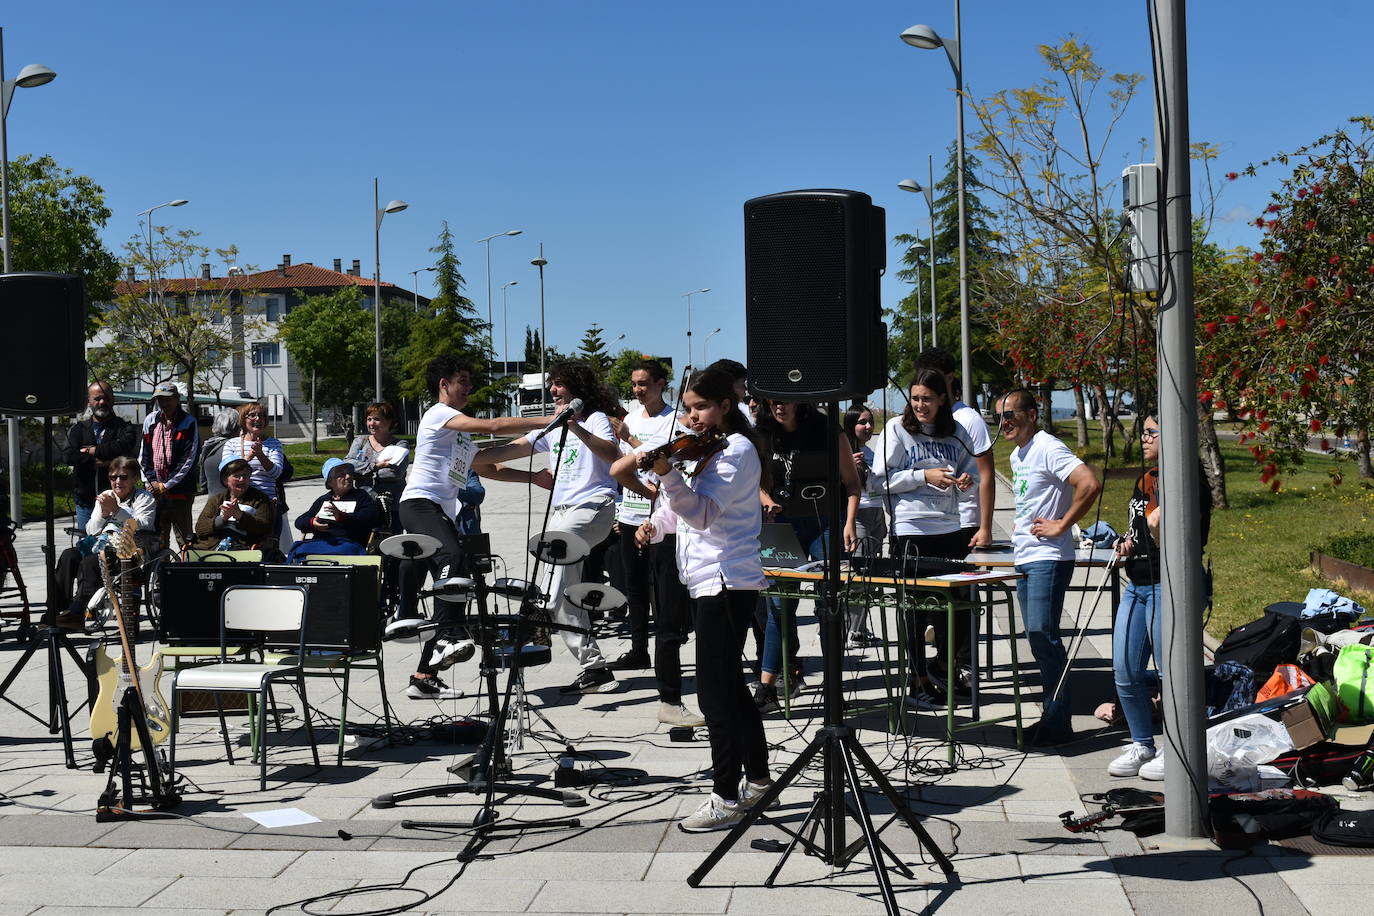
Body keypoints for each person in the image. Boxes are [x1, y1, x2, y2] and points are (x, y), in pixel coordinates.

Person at [637, 367, 772, 832]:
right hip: (706, 580)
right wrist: (656, 524)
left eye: (700, 407)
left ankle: (724, 795)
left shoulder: (735, 450)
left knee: (714, 698)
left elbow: (703, 512)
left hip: (726, 581)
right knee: (731, 689)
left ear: (725, 407)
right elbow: (684, 514)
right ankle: (757, 778)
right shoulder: (708, 452)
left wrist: (666, 475)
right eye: (689, 408)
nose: (692, 417)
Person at [392, 355, 548, 701]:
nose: (468, 387)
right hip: (418, 505)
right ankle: (436, 630)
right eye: (462, 380)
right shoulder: (439, 415)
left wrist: (534, 477)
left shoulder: (457, 438)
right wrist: (549, 421)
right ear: (443, 385)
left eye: (468, 381)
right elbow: (494, 427)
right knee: (455, 557)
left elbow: (490, 464)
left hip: (437, 511)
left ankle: (424, 676)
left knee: (458, 582)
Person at [473, 359, 624, 696]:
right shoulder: (554, 426)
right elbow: (512, 449)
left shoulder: (595, 419)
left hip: (593, 507)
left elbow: (612, 453)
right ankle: (595, 669)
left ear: (578, 389)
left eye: (559, 384)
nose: (553, 391)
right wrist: (469, 455)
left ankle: (533, 620)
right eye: (552, 384)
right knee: (565, 599)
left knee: (551, 578)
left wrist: (577, 428)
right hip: (561, 512)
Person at [997, 388, 1102, 746]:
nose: (1004, 422)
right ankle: (1051, 717)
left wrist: (1062, 525)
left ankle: (1058, 721)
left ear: (1032, 414)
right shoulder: (1017, 456)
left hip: (1049, 557)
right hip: (1025, 555)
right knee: (1037, 639)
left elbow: (1088, 483)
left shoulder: (1047, 446)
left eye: (1011, 414)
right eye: (1000, 416)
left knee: (1044, 634)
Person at [1109, 415, 1212, 779]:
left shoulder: (1189, 483)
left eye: (1152, 431)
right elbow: (1138, 525)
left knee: (1172, 671)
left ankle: (1179, 748)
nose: (1144, 438)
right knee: (1124, 667)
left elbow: (1181, 539)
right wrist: (1127, 542)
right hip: (1136, 585)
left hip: (1169, 584)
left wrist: (1158, 529)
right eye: (1144, 432)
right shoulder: (1146, 479)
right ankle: (1142, 744)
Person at [869, 369, 979, 708]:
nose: (920, 405)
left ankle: (943, 670)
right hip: (911, 532)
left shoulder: (957, 432)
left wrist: (964, 481)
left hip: (950, 530)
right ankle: (916, 680)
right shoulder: (896, 430)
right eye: (915, 398)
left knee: (957, 610)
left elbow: (972, 474)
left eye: (927, 399)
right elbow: (879, 481)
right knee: (913, 612)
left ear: (942, 399)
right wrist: (922, 475)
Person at [753, 400, 859, 712]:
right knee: (778, 607)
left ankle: (833, 685)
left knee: (829, 604)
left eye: (783, 401)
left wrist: (849, 522)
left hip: (824, 524)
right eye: (771, 402)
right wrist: (767, 499)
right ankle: (768, 686)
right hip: (782, 527)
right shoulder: (762, 433)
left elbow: (852, 484)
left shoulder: (827, 430)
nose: (777, 408)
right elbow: (754, 482)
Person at [606, 359, 678, 673]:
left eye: (644, 384)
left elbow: (659, 458)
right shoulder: (631, 417)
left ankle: (667, 645)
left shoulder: (672, 419)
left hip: (661, 513)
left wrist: (630, 438)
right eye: (635, 384)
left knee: (661, 584)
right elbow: (622, 466)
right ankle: (638, 648)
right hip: (631, 511)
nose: (638, 390)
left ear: (661, 384)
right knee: (633, 584)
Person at [55, 456, 156, 632]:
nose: (117, 482)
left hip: (129, 549)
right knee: (68, 556)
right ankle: (56, 610)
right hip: (102, 544)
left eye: (123, 477)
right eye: (113, 477)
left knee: (91, 562)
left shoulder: (143, 498)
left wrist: (116, 511)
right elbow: (90, 530)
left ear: (135, 478)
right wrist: (102, 514)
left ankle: (78, 611)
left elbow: (142, 524)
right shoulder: (105, 496)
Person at [63, 381, 139, 532]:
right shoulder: (78, 429)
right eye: (97, 399)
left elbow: (124, 447)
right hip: (86, 501)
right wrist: (95, 461)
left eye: (106, 398)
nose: (102, 402)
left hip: (119, 502)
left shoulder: (125, 428)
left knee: (116, 545)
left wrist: (91, 450)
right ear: (88, 401)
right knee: (88, 543)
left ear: (113, 400)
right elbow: (69, 456)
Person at [138, 382, 200, 551]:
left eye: (168, 399)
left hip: (179, 491)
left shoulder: (189, 422)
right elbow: (144, 454)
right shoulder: (150, 420)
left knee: (184, 539)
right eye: (160, 400)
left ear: (176, 399)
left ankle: (186, 572)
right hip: (154, 491)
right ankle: (159, 575)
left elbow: (189, 458)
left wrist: (167, 485)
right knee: (157, 539)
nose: (164, 404)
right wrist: (150, 482)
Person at [842, 403, 885, 643]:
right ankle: (851, 630)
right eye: (861, 422)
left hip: (876, 513)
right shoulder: (844, 451)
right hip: (857, 516)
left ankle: (859, 627)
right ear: (850, 425)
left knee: (871, 576)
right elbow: (845, 487)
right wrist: (850, 467)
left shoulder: (872, 451)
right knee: (858, 575)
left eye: (870, 421)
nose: (868, 427)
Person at [288, 458, 381, 560]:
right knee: (297, 551)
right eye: (342, 474)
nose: (349, 476)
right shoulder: (324, 500)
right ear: (330, 482)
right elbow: (299, 521)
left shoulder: (361, 496)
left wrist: (342, 517)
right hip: (322, 543)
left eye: (349, 473)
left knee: (346, 550)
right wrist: (313, 522)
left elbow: (369, 517)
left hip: (349, 542)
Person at [345, 401, 410, 532]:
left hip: (391, 507)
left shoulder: (400, 445)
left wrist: (363, 472)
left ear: (389, 421)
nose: (371, 423)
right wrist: (375, 466)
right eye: (369, 419)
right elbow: (347, 464)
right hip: (363, 504)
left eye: (377, 419)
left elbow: (394, 473)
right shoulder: (360, 441)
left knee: (391, 546)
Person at [192, 458, 276, 551]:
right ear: (225, 480)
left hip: (244, 549)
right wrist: (222, 519)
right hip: (213, 547)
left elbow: (265, 528)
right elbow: (200, 529)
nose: (242, 480)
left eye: (245, 476)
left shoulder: (260, 499)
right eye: (237, 476)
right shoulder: (216, 500)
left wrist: (240, 516)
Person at [200, 408, 241, 499]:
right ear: (235, 426)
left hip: (212, 503)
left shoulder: (209, 446)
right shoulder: (233, 448)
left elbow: (204, 481)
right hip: (230, 505)